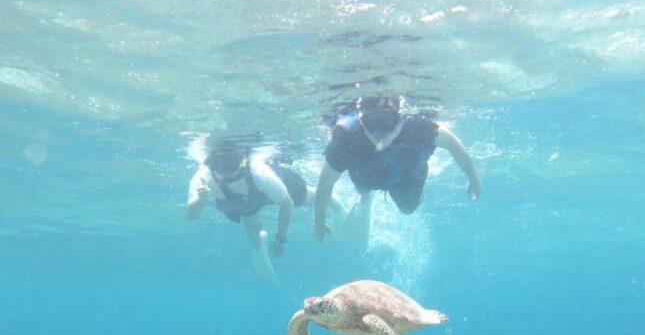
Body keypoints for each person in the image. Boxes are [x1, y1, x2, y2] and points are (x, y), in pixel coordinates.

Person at [313, 95, 482, 244]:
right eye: (373, 123)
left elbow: (453, 144)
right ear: (361, 120)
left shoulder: (419, 127)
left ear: (402, 118)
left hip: (409, 174)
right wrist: (319, 221)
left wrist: (474, 178)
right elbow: (325, 185)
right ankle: (365, 197)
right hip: (366, 173)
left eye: (389, 122)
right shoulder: (345, 139)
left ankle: (365, 194)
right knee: (363, 183)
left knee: (408, 209)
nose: (381, 131)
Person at [187, 145, 344, 279]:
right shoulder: (203, 178)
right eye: (221, 169)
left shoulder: (259, 173)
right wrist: (199, 202)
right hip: (243, 199)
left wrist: (280, 238)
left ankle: (331, 200)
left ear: (241, 164)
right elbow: (191, 216)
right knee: (250, 219)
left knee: (306, 198)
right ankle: (258, 247)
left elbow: (286, 203)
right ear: (211, 166)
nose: (227, 174)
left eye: (232, 168)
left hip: (267, 185)